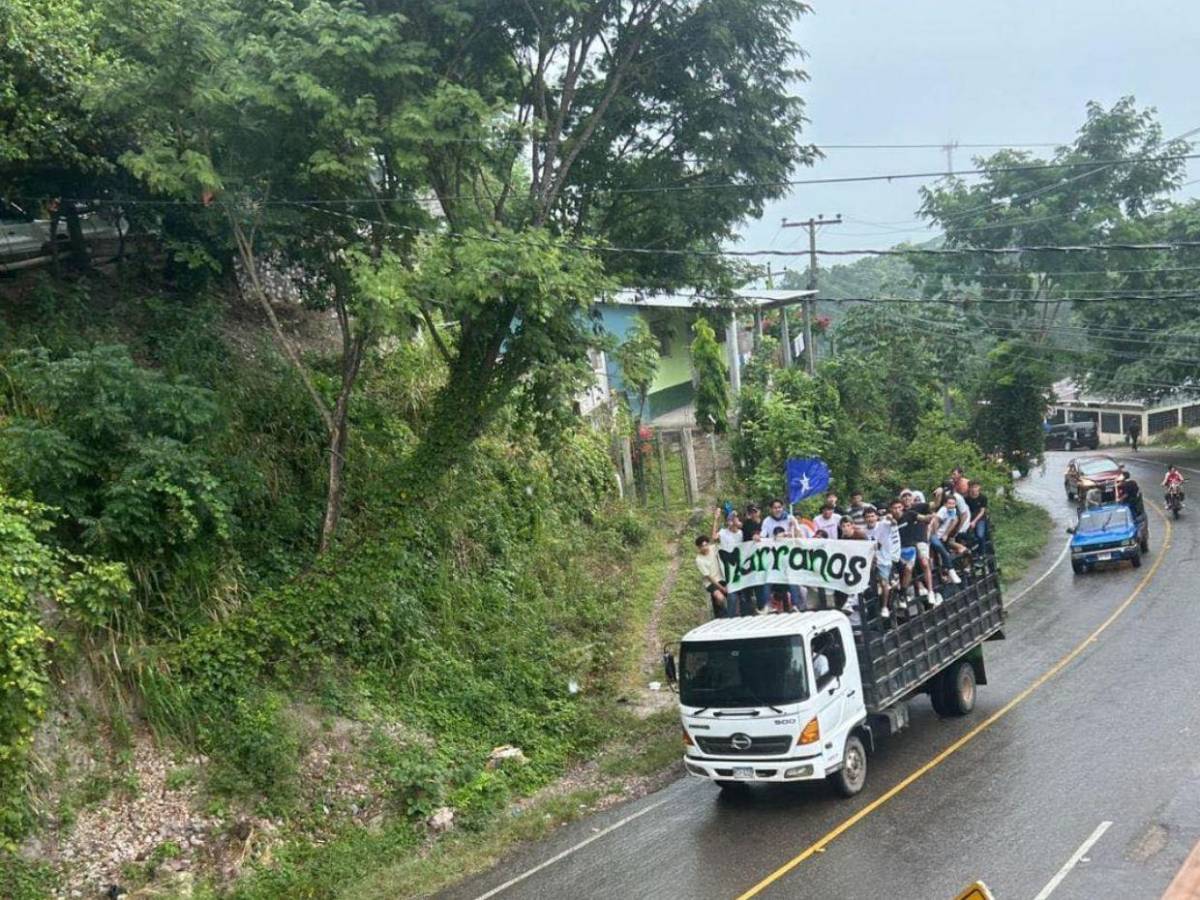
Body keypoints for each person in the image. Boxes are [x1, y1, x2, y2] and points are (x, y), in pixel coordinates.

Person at [897, 492, 941, 607]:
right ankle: (909, 592)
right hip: (907, 544)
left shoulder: (919, 507)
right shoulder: (899, 514)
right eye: (904, 496)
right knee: (908, 568)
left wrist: (940, 493)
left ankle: (931, 591)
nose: (906, 498)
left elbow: (934, 506)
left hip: (920, 539)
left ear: (912, 498)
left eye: (908, 496)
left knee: (924, 562)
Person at [865, 507, 901, 619]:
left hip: (884, 559)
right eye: (867, 517)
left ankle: (885, 606)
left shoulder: (883, 524)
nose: (870, 519)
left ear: (876, 517)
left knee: (884, 583)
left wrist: (891, 518)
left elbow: (894, 523)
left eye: (872, 516)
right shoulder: (863, 531)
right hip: (871, 561)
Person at [930, 493, 966, 585]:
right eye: (949, 503)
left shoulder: (953, 510)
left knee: (942, 554)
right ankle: (951, 571)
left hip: (942, 536)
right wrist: (935, 533)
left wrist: (946, 534)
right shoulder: (943, 510)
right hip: (934, 535)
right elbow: (936, 521)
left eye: (953, 503)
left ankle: (946, 574)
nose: (951, 505)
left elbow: (953, 521)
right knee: (942, 552)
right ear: (945, 504)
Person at [694, 534, 729, 618]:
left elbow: (719, 543)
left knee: (731, 594)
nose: (705, 548)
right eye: (702, 546)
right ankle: (723, 614)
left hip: (721, 577)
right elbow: (709, 577)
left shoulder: (713, 548)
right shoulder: (699, 560)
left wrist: (717, 538)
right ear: (699, 548)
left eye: (706, 545)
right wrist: (722, 588)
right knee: (720, 597)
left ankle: (724, 613)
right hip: (710, 582)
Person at [966, 481, 990, 551]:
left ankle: (983, 553)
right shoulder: (966, 498)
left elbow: (982, 511)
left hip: (980, 519)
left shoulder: (983, 498)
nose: (973, 489)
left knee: (980, 535)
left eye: (975, 487)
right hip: (969, 518)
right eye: (972, 487)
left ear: (979, 487)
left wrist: (974, 521)